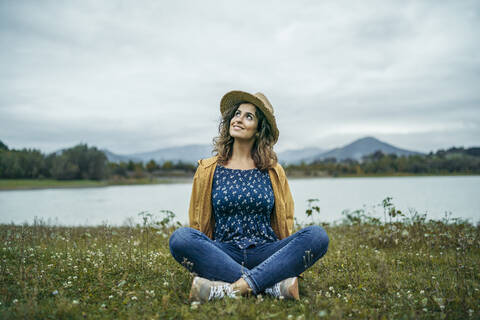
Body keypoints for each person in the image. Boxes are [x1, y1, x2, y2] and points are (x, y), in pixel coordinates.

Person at [169, 90, 329, 302]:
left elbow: (286, 219)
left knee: (317, 236)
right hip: (224, 251)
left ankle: (232, 288)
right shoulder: (208, 169)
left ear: (258, 129)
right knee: (181, 238)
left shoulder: (273, 171)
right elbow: (197, 222)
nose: (238, 119)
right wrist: (205, 256)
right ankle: (272, 285)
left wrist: (281, 258)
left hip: (267, 251)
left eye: (248, 116)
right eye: (237, 113)